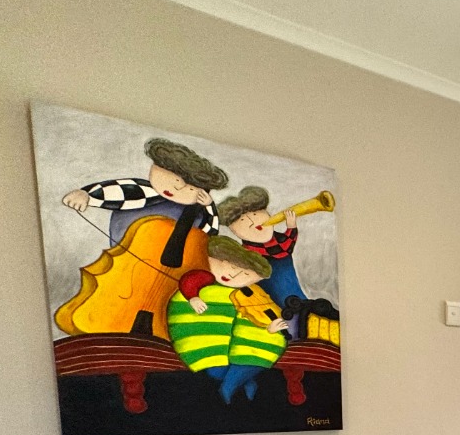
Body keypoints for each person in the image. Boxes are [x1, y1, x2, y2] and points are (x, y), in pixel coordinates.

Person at [168, 237, 290, 404]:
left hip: (244, 346)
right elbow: (189, 281)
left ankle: (230, 389)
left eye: (245, 274)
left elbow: (259, 318)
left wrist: (270, 329)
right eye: (231, 267)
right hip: (212, 344)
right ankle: (242, 382)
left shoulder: (252, 294)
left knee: (246, 360)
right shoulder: (206, 279)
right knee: (215, 371)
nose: (234, 274)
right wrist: (193, 297)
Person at [62, 136, 225, 246]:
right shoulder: (141, 191)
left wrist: (209, 206)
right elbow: (118, 191)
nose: (176, 187)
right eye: (171, 177)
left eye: (189, 187)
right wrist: (86, 195)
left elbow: (208, 237)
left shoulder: (198, 213)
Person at [216, 186, 308, 309]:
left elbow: (286, 247)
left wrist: (291, 227)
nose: (252, 222)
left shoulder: (280, 240)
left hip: (291, 293)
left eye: (255, 214)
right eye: (242, 220)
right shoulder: (246, 253)